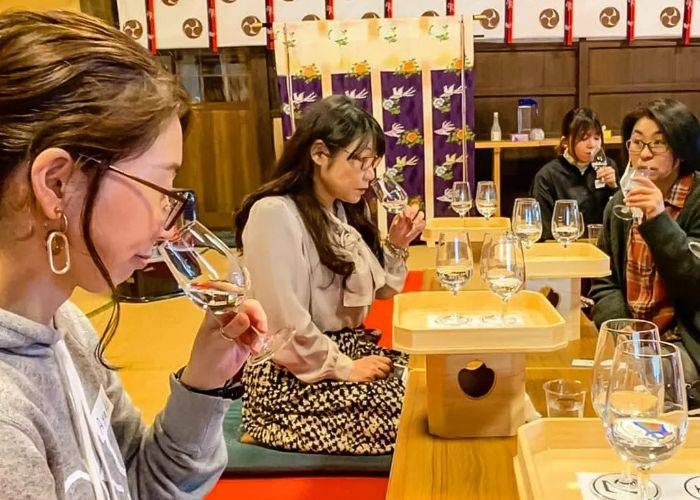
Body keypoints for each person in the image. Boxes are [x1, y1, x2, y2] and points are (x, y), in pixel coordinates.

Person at [0, 10, 264, 498]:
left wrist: (205, 382)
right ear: (56, 184)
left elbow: (140, 486)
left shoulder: (68, 326)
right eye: (161, 186)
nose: (170, 224)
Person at [235, 95, 425, 455]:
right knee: (408, 415)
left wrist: (398, 242)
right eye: (362, 163)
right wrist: (346, 368)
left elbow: (381, 290)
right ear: (319, 154)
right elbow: (282, 324)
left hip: (337, 352)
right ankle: (263, 425)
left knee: (429, 382)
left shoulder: (338, 210)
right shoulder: (274, 214)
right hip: (289, 376)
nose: (370, 177)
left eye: (374, 166)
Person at [591, 98, 700, 382]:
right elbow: (604, 280)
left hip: (683, 341)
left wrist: (658, 221)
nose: (644, 154)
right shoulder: (620, 203)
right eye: (637, 142)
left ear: (681, 151)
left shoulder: (696, 202)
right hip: (632, 339)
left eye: (658, 143)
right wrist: (619, 324)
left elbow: (695, 284)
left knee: (636, 382)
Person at [530, 107, 618, 240]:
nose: (592, 145)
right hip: (563, 249)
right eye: (584, 138)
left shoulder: (608, 167)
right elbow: (542, 231)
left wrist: (614, 188)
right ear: (565, 142)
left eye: (596, 137)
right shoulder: (547, 176)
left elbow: (620, 218)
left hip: (601, 248)